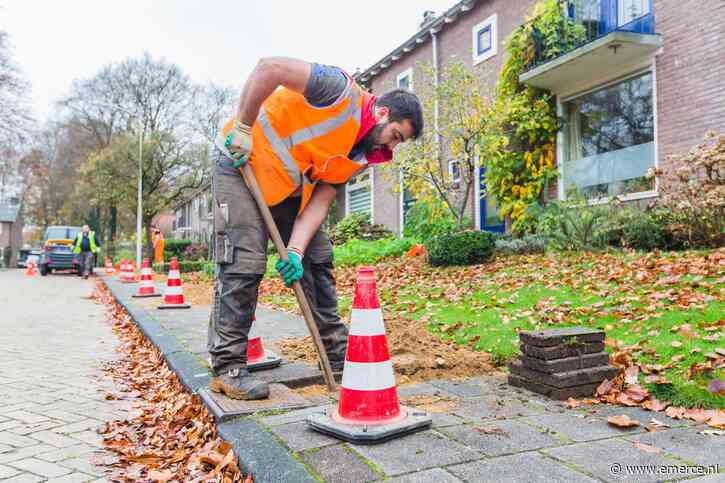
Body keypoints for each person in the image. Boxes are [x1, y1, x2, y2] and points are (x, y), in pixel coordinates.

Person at [207, 57, 423, 401]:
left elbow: (321, 201)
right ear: (382, 113)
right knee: (244, 262)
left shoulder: (362, 153)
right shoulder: (336, 90)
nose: (391, 147)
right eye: (395, 136)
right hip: (240, 163)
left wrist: (294, 250)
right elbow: (268, 68)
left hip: (287, 189)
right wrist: (244, 128)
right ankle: (229, 366)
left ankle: (337, 354)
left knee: (317, 258)